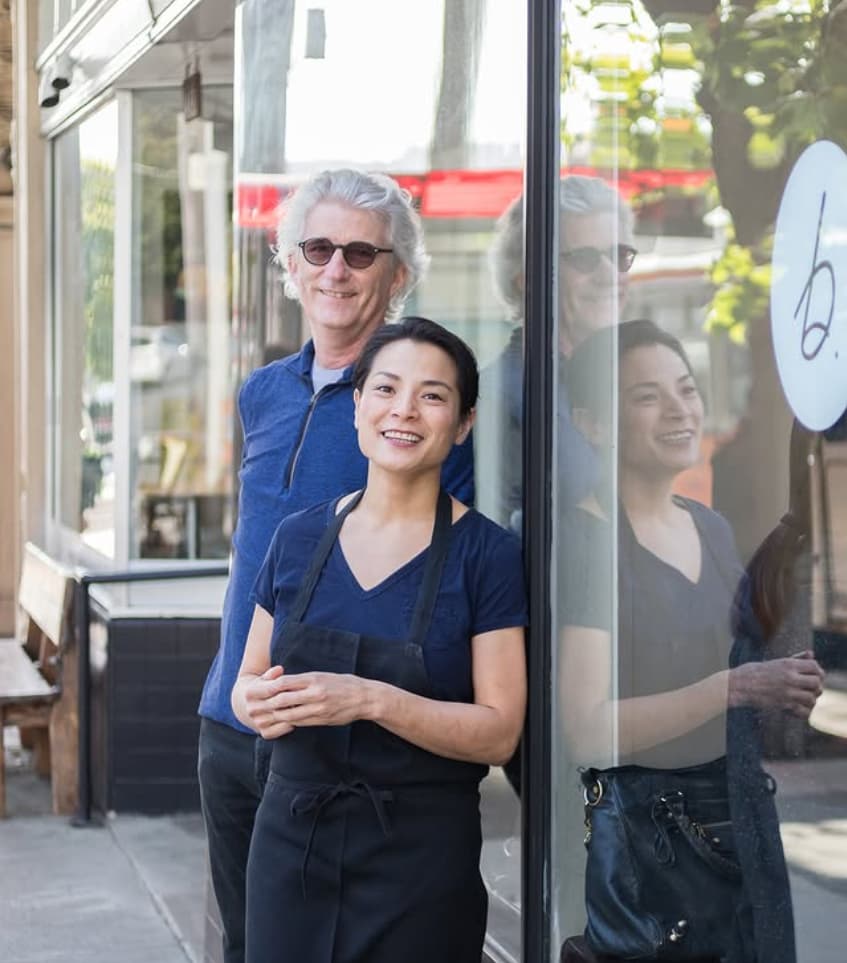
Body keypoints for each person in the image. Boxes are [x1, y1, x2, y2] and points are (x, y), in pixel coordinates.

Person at [197, 171, 475, 963]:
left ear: (398, 274)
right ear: (289, 264)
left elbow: (439, 572)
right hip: (232, 716)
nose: (336, 270)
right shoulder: (260, 393)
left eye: (360, 252)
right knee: (252, 947)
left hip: (337, 747)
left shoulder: (414, 411)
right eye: (317, 248)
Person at [232, 317, 527, 963]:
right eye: (386, 388)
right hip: (290, 848)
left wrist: (371, 699)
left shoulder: (488, 556)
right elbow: (245, 680)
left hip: (419, 861)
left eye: (432, 395)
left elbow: (499, 730)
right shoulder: (297, 537)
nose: (404, 410)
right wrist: (252, 702)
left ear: (463, 422)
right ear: (358, 404)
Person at [559, 320, 824, 962]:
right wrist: (733, 687)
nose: (679, 410)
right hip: (651, 847)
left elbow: (744, 690)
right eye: (646, 396)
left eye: (685, 388)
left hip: (742, 821)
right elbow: (587, 732)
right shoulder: (585, 542)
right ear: (596, 425)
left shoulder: (710, 528)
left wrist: (784, 685)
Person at [477, 174, 636, 529]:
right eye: (584, 258)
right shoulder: (499, 396)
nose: (609, 274)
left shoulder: (624, 378)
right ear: (527, 279)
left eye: (619, 254)